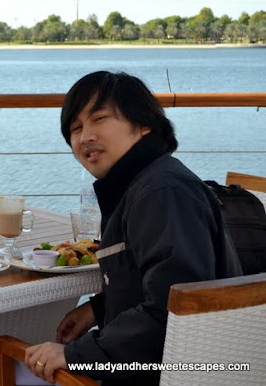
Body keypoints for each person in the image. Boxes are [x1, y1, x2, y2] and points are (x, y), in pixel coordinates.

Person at [20, 71, 242, 385]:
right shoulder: (140, 183)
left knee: (2, 365)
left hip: (169, 373)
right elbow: (149, 279)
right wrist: (99, 309)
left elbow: (172, 313)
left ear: (143, 125)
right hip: (156, 362)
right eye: (76, 128)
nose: (85, 137)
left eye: (99, 119)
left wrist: (74, 355)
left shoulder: (161, 193)